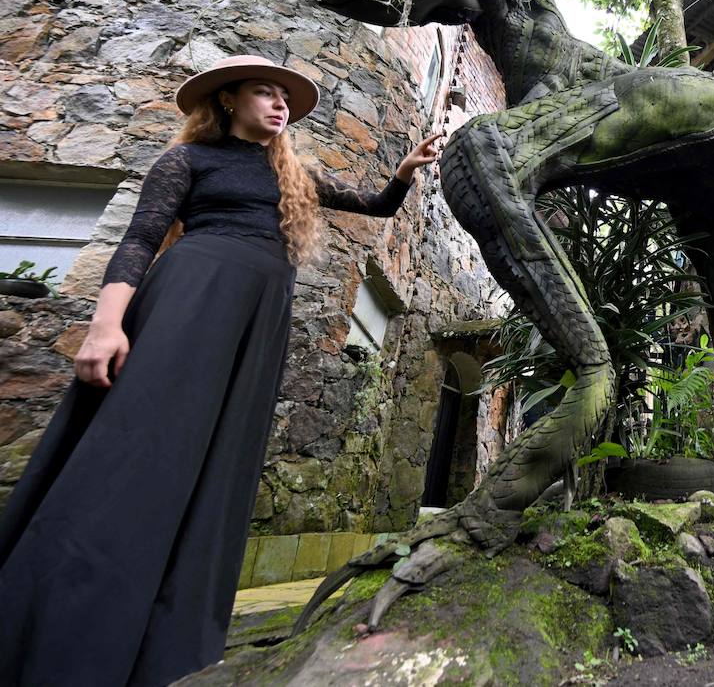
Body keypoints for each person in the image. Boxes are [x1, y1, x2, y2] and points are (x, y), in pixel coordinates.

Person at [0, 55, 443, 687]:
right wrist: (106, 325)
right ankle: (61, 617)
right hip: (191, 298)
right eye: (264, 92)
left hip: (256, 321)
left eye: (284, 97)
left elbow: (374, 205)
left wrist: (402, 173)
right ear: (229, 101)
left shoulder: (293, 175)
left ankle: (164, 634)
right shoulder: (188, 162)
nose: (279, 103)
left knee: (216, 457)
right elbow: (138, 240)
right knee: (139, 442)